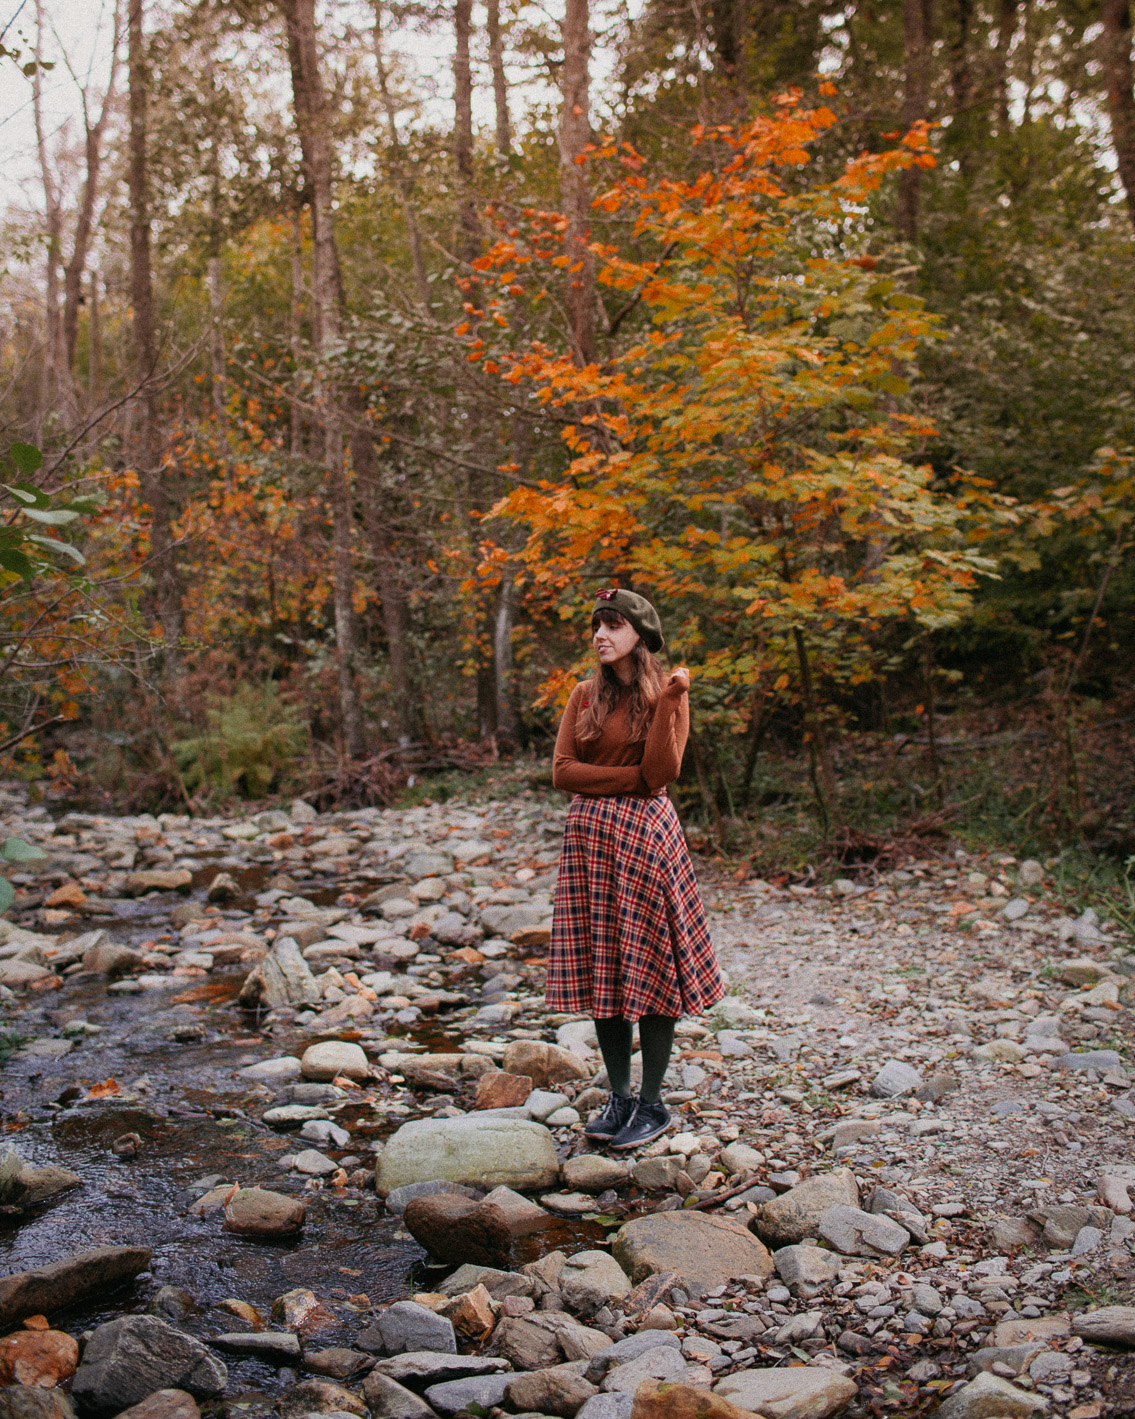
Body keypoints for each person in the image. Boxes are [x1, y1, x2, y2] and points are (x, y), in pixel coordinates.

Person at [547, 587, 724, 1150]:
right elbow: (562, 772)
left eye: (612, 626)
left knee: (651, 968)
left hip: (646, 840)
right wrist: (629, 785)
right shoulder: (582, 695)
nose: (600, 635)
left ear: (640, 637)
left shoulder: (668, 693)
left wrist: (672, 703)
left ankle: (652, 1104)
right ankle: (619, 1096)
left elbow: (664, 769)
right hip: (590, 842)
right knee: (605, 965)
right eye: (597, 626)